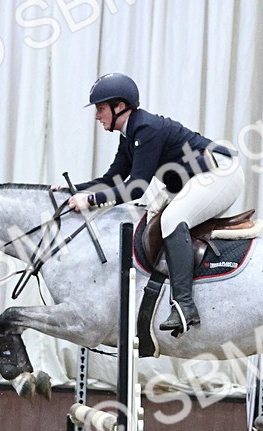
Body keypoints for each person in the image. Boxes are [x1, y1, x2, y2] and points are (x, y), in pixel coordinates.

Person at [64, 73, 245, 336]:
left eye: (100, 109)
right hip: (191, 178)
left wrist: (90, 200)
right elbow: (112, 179)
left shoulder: (146, 129)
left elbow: (136, 187)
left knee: (172, 220)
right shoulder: (130, 134)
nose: (97, 116)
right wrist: (74, 190)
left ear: (119, 106)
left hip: (220, 172)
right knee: (151, 216)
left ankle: (184, 306)